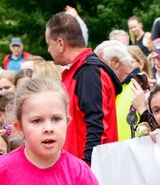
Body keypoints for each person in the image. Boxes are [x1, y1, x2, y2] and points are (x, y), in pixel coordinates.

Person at [45, 11, 121, 165]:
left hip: (87, 170)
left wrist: (87, 166)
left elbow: (98, 127)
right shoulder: (80, 71)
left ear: (60, 43)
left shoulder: (88, 71)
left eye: (49, 44)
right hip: (79, 167)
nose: (48, 50)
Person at [94, 40, 144, 141]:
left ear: (115, 62)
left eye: (100, 66)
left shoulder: (143, 85)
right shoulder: (117, 88)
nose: (97, 71)